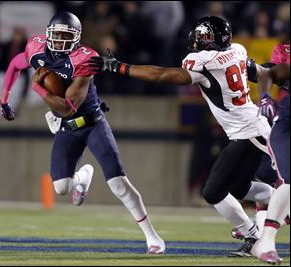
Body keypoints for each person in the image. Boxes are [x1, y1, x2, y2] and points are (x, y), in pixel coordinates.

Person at [89, 16, 276, 256]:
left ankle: (253, 235)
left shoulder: (203, 61)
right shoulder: (238, 50)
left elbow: (160, 75)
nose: (198, 41)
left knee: (213, 191)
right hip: (254, 126)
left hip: (247, 132)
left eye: (203, 37)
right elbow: (259, 71)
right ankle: (281, 203)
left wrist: (118, 66)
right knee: (239, 188)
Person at [0, 11, 165, 254]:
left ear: (77, 38)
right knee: (61, 188)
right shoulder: (36, 48)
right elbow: (15, 64)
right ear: (47, 34)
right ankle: (83, 176)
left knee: (119, 183)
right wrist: (4, 100)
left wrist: (38, 88)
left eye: (66, 36)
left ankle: (152, 237)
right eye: (56, 35)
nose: (60, 41)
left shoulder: (83, 59)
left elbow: (68, 108)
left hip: (91, 122)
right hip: (67, 129)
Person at [251, 62, 290, 265]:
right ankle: (266, 242)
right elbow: (268, 73)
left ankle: (261, 238)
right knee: (289, 182)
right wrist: (265, 97)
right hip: (287, 128)